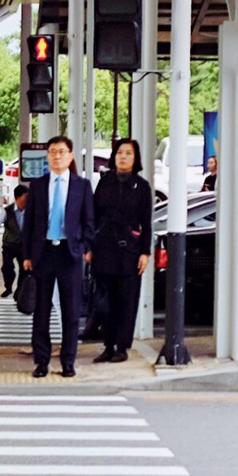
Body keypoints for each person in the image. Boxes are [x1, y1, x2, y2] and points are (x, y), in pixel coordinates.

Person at [21, 134, 94, 378]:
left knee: (71, 310)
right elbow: (29, 223)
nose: (57, 156)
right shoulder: (39, 185)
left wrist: (83, 248)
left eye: (62, 152)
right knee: (41, 310)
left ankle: (68, 362)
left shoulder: (81, 186)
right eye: (52, 152)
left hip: (69, 253)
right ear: (48, 156)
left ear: (70, 156)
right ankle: (41, 362)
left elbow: (88, 221)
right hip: (43, 253)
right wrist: (27, 255)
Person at [90, 136, 153, 364]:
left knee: (126, 301)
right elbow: (94, 216)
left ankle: (122, 347)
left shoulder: (142, 186)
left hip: (130, 251)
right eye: (119, 153)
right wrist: (89, 246)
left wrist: (145, 252)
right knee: (105, 302)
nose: (123, 157)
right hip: (104, 248)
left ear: (135, 158)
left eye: (128, 153)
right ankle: (108, 345)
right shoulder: (104, 182)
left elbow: (147, 222)